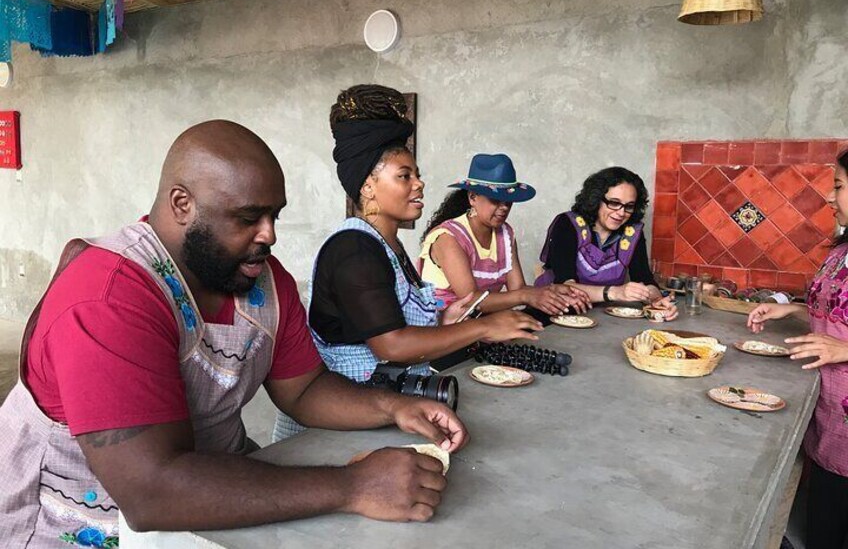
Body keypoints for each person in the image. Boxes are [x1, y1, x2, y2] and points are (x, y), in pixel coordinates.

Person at [0, 120, 470, 547]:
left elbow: (302, 389)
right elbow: (150, 492)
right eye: (248, 218)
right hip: (75, 524)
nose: (269, 235)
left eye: (275, 216)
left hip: (210, 506)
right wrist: (355, 486)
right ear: (182, 204)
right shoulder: (110, 299)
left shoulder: (262, 282)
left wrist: (394, 407)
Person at [273, 85, 542, 440]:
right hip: (333, 423)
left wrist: (443, 321)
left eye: (417, 174)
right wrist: (484, 327)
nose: (420, 184)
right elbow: (391, 345)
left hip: (374, 407)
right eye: (405, 176)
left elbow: (395, 324)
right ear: (368, 185)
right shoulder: (353, 250)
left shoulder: (389, 247)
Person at [747, 147, 848, 549]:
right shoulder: (841, 250)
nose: (829, 196)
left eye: (838, 186)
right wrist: (786, 310)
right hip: (830, 420)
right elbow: (834, 312)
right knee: (824, 526)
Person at [418, 153, 591, 316]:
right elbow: (471, 300)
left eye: (508, 202)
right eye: (495, 200)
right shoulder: (449, 237)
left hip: (478, 323)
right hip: (441, 326)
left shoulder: (505, 234)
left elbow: (517, 288)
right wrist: (527, 296)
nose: (504, 208)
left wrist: (552, 291)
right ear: (472, 197)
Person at [536, 166, 677, 317]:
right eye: (614, 203)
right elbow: (565, 285)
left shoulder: (632, 233)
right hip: (554, 312)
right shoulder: (568, 224)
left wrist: (656, 300)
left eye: (629, 206)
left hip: (603, 315)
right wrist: (615, 292)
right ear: (596, 199)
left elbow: (645, 279)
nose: (621, 213)